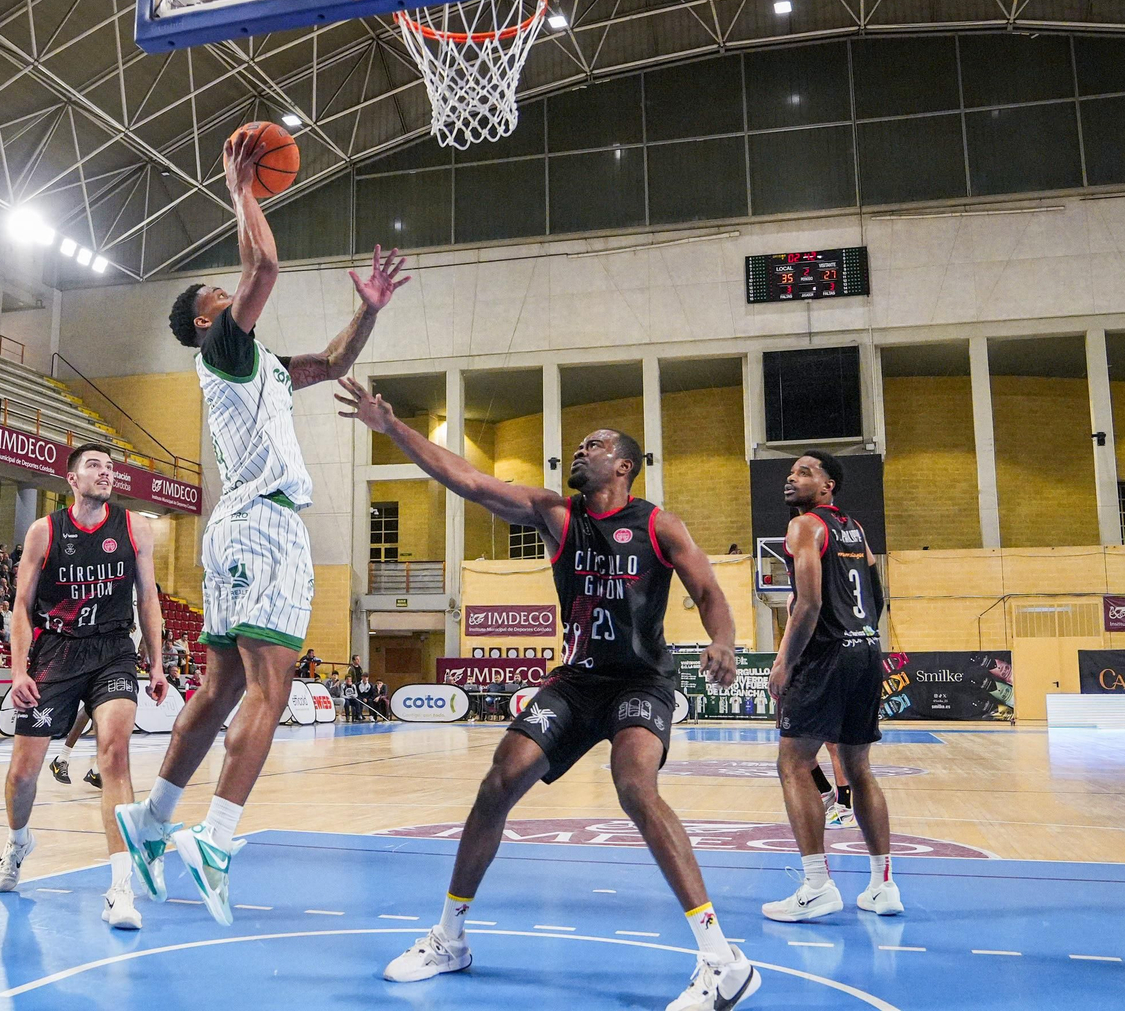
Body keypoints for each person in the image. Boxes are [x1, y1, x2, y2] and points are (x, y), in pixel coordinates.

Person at [338, 386, 753, 1008]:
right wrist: (392, 427)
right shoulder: (558, 515)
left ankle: (722, 959)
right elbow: (467, 479)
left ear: (624, 467)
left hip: (640, 680)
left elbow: (711, 593)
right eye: (580, 445)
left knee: (635, 784)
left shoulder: (658, 525)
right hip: (578, 680)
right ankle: (449, 937)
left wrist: (723, 639)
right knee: (498, 782)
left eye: (596, 446)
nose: (580, 452)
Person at [115, 130, 408, 927]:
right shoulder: (223, 347)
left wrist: (369, 310)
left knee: (222, 689)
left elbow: (335, 362)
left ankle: (148, 822)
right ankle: (214, 837)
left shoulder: (264, 365)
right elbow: (266, 266)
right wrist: (240, 188)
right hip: (260, 527)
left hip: (241, 527)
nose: (230, 295)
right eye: (219, 294)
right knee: (271, 690)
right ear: (207, 319)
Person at [0, 443, 169, 927]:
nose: (106, 473)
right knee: (22, 775)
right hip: (56, 653)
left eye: (111, 467)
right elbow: (22, 607)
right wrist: (18, 670)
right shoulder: (44, 531)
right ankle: (17, 841)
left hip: (113, 650)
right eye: (95, 466)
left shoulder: (134, 526)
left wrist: (157, 663)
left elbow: (148, 599)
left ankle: (119, 889)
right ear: (71, 479)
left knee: (114, 755)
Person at [761, 450, 900, 924]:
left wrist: (783, 661)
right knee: (859, 768)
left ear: (827, 487)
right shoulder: (856, 531)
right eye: (791, 471)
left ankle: (817, 885)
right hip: (866, 651)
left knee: (793, 763)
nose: (791, 477)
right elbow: (877, 597)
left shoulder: (805, 527)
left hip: (827, 656)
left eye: (804, 473)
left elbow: (808, 604)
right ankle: (883, 886)